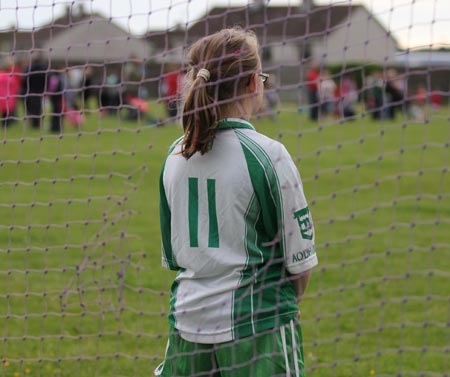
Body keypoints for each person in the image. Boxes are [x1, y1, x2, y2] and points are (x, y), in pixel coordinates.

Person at [156, 27, 318, 377]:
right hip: (259, 328)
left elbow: (174, 256)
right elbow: (300, 265)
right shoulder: (269, 155)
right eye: (262, 75)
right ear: (250, 85)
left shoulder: (174, 155)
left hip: (187, 326)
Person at [22, 54, 48, 129]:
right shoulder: (43, 68)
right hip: (39, 91)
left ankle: (32, 123)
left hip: (29, 90)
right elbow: (45, 80)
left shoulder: (29, 68)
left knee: (29, 108)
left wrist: (25, 88)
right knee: (38, 107)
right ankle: (37, 124)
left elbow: (24, 80)